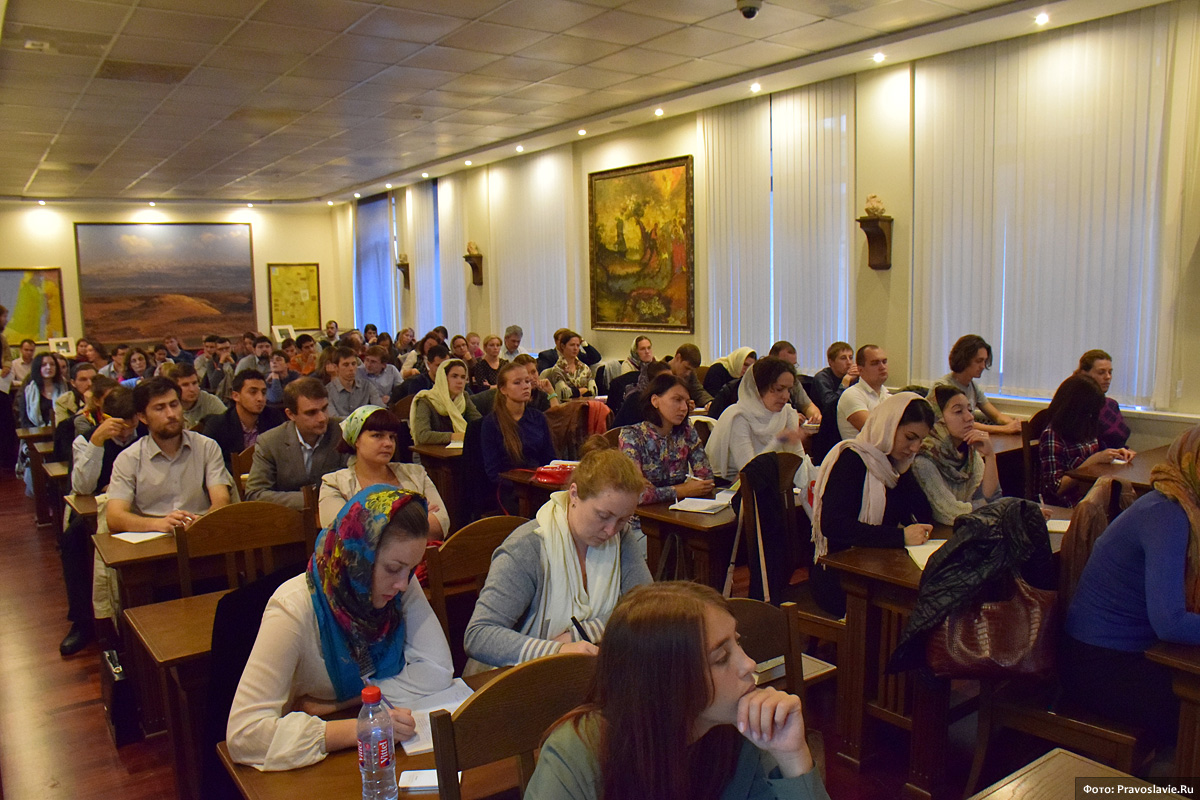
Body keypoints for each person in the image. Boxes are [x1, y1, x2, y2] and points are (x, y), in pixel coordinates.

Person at [525, 581, 829, 800]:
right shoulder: (577, 756)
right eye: (721, 658)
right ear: (667, 683)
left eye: (738, 643)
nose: (749, 664)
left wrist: (793, 756)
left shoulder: (745, 735)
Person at [227, 487, 455, 771]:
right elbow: (244, 734)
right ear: (357, 556)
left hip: (365, 755)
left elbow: (437, 670)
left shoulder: (400, 584)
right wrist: (363, 728)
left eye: (410, 569)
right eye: (392, 568)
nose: (403, 584)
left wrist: (344, 703)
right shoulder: (292, 609)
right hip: (304, 770)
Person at [1062, 426, 1200, 745]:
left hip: (1132, 653)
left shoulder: (1187, 507)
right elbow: (1170, 623)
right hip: (1100, 664)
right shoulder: (1167, 513)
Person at [464, 448, 652, 672]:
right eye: (603, 516)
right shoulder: (528, 547)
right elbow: (479, 635)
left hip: (579, 672)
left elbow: (645, 606)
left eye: (622, 520)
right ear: (574, 494)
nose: (611, 530)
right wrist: (556, 650)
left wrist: (580, 634)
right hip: (508, 678)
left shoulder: (621, 538)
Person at [809, 393, 936, 616]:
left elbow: (922, 514)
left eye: (921, 441)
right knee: (910, 610)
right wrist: (900, 537)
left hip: (876, 564)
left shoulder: (893, 463)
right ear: (888, 426)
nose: (915, 447)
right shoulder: (851, 459)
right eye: (910, 437)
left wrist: (905, 471)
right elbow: (834, 525)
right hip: (839, 575)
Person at [60, 385, 142, 656]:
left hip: (140, 505)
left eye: (130, 425)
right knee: (73, 540)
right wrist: (96, 443)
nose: (125, 433)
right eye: (119, 427)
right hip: (96, 509)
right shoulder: (87, 439)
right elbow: (82, 487)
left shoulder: (146, 435)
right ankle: (83, 621)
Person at [105, 377, 233, 535]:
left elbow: (221, 500)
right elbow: (114, 517)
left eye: (174, 405)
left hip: (200, 531)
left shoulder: (206, 446)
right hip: (152, 537)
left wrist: (201, 523)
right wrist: (159, 524)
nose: (171, 414)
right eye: (160, 408)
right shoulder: (129, 458)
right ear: (142, 417)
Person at [317, 405, 448, 536]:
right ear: (356, 440)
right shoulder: (334, 483)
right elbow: (341, 534)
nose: (388, 443)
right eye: (377, 435)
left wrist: (371, 524)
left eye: (391, 437)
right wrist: (418, 518)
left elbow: (441, 524)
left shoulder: (416, 473)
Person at [245, 378, 347, 510]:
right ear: (291, 414)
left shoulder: (342, 431)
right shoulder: (270, 442)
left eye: (324, 408)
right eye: (311, 413)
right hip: (289, 517)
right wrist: (310, 499)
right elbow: (255, 493)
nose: (322, 418)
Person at [911, 385, 1002, 525]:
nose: (969, 417)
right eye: (958, 411)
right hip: (938, 533)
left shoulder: (969, 452)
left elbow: (991, 498)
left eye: (970, 410)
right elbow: (950, 514)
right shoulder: (923, 459)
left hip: (969, 527)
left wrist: (990, 456)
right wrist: (993, 510)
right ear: (937, 418)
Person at [618, 373, 714, 505]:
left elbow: (706, 479)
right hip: (644, 515)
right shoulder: (632, 435)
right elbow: (636, 493)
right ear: (655, 401)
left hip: (680, 509)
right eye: (677, 400)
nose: (684, 408)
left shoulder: (686, 430)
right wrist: (682, 490)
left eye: (686, 402)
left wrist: (657, 492)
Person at [1038, 375, 1135, 506]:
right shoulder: (1052, 435)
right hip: (1071, 502)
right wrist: (1091, 462)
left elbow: (1101, 454)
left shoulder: (1087, 428)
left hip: (1093, 493)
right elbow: (1057, 488)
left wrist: (1116, 454)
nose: (1091, 417)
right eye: (1089, 413)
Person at [707, 357, 808, 482]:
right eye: (779, 389)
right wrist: (778, 440)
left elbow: (799, 460)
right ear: (758, 389)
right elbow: (751, 472)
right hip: (730, 486)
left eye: (789, 390)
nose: (786, 396)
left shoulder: (787, 413)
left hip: (771, 484)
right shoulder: (738, 416)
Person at [481, 362, 557, 511]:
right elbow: (493, 472)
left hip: (539, 485)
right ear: (503, 389)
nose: (525, 386)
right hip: (510, 491)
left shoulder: (538, 417)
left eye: (527, 381)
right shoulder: (491, 423)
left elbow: (549, 458)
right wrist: (523, 485)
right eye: (517, 383)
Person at [927, 334, 1020, 434]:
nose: (983, 366)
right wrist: (1004, 429)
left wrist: (1015, 425)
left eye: (985, 361)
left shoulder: (973, 387)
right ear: (964, 360)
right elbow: (962, 424)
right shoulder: (942, 387)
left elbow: (997, 416)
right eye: (979, 361)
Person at [202, 369, 284, 471]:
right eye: (253, 392)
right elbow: (208, 462)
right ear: (236, 396)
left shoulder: (274, 418)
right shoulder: (218, 424)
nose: (260, 398)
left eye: (263, 392)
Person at [409, 358, 481, 446]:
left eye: (463, 377)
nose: (460, 381)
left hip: (458, 449)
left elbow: (479, 423)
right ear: (443, 378)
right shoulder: (427, 400)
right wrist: (455, 436)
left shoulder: (463, 397)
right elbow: (423, 435)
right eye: (454, 376)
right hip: (431, 451)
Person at [1075, 349, 1130, 449]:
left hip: (1118, 454)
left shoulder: (1111, 404)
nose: (1108, 377)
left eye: (1110, 372)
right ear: (1084, 374)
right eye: (1101, 372)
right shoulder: (1075, 405)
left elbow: (1119, 439)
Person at [836, 344, 890, 440]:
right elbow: (874, 432)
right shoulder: (852, 394)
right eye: (875, 363)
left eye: (884, 362)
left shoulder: (887, 395)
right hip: (861, 449)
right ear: (860, 370)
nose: (882, 367)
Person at [768, 341, 821, 421]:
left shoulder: (793, 381)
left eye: (793, 365)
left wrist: (815, 416)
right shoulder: (763, 382)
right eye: (786, 364)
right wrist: (789, 417)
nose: (790, 369)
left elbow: (807, 405)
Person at [325, 346, 383, 418]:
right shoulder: (328, 391)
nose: (351, 368)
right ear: (336, 367)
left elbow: (381, 411)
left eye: (353, 364)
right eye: (346, 365)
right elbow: (333, 419)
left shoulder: (367, 386)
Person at [612, 361, 670, 427]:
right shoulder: (637, 400)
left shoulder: (667, 399)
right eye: (664, 381)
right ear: (650, 381)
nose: (670, 384)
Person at [168, 362, 226, 428]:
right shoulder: (168, 406)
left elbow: (229, 426)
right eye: (185, 385)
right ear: (174, 388)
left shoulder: (211, 402)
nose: (192, 389)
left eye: (194, 383)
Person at [546, 329, 596, 400]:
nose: (575, 348)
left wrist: (577, 392)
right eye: (572, 345)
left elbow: (593, 392)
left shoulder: (585, 368)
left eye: (578, 345)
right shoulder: (557, 369)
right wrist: (583, 390)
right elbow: (564, 394)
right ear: (563, 346)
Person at [810, 341, 857, 416]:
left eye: (851, 358)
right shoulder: (821, 378)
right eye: (843, 358)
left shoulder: (854, 376)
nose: (849, 362)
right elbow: (830, 404)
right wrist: (844, 384)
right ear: (831, 362)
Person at [23, 352, 67, 427]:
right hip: (36, 431)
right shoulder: (29, 390)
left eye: (52, 364)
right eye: (44, 365)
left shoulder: (65, 387)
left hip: (62, 429)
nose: (49, 367)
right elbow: (25, 420)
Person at [669, 343, 713, 409]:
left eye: (691, 370)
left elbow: (698, 392)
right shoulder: (658, 371)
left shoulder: (690, 373)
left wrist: (709, 402)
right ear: (678, 357)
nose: (688, 373)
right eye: (686, 368)